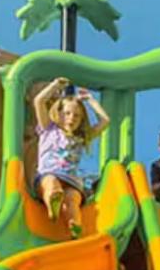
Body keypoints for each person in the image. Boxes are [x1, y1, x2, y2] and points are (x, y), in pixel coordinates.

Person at [32, 77, 110, 238]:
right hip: (48, 174)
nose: (72, 118)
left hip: (71, 181)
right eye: (67, 113)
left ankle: (74, 225)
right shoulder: (48, 128)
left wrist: (90, 100)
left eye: (77, 116)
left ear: (81, 120)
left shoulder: (81, 137)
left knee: (72, 199)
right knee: (52, 184)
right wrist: (54, 86)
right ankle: (52, 204)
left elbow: (105, 121)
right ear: (58, 113)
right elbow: (39, 101)